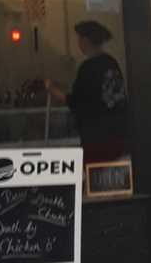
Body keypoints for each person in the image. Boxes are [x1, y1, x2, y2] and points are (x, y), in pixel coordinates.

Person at [46, 21, 128, 163]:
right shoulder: (111, 63)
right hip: (118, 136)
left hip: (96, 140)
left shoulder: (88, 68)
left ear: (85, 41)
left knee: (94, 178)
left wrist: (51, 89)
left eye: (79, 39)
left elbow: (76, 102)